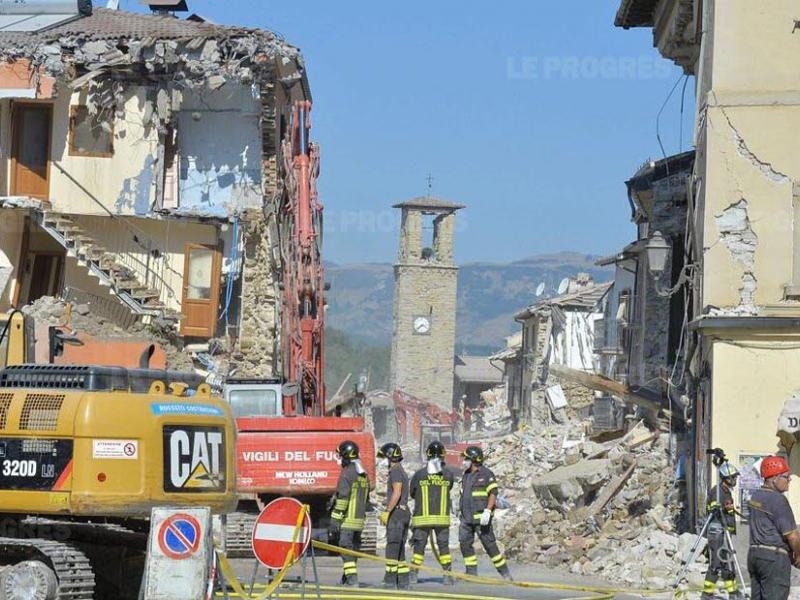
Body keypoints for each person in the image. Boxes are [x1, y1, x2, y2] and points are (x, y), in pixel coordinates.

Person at [747, 455, 800, 600]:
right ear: (774, 478)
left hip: (754, 556)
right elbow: (793, 535)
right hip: (773, 560)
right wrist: (798, 555)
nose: (789, 480)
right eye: (786, 477)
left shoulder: (755, 497)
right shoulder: (778, 500)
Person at [458, 445, 512, 580]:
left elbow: (493, 493)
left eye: (466, 458)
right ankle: (471, 573)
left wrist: (488, 511)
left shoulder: (486, 474)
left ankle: (505, 574)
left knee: (490, 546)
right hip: (466, 519)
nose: (464, 461)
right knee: (465, 544)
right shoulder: (466, 475)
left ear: (474, 459)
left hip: (482, 519)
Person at [409, 440, 455, 585]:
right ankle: (447, 576)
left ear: (427, 455)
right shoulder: (448, 475)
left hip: (422, 520)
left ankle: (413, 575)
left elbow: (412, 493)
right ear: (443, 456)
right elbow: (450, 488)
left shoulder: (419, 475)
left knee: (419, 548)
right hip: (442, 520)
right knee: (444, 548)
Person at [328, 440, 370, 587]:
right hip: (359, 521)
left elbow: (343, 500)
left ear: (346, 456)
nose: (339, 459)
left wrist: (334, 520)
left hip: (347, 521)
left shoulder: (346, 474)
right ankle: (346, 579)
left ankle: (352, 580)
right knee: (352, 551)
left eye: (340, 456)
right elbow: (366, 499)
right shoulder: (363, 474)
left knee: (345, 549)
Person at [701, 462, 741, 600]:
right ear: (726, 478)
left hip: (725, 533)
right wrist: (719, 507)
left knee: (727, 562)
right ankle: (707, 593)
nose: (735, 480)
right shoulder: (716, 491)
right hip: (717, 532)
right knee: (716, 563)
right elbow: (712, 507)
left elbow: (728, 511)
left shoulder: (726, 492)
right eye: (733, 477)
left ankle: (733, 592)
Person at [377, 442, 411, 589]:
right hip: (403, 512)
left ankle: (390, 580)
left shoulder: (396, 471)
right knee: (400, 548)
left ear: (390, 457)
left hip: (397, 513)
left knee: (392, 546)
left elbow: (397, 492)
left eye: (384, 457)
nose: (382, 460)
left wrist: (387, 511)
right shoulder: (400, 470)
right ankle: (403, 581)